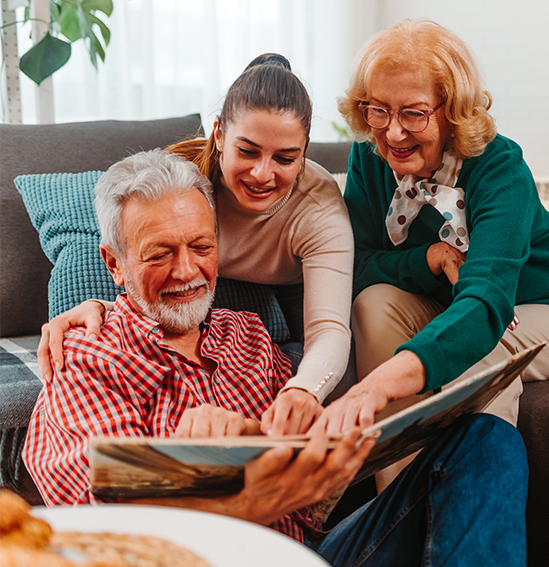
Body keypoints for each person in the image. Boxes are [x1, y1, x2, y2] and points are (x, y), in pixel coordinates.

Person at [21, 150, 529, 566]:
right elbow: (112, 523)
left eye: (200, 246)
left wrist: (296, 449)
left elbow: (306, 498)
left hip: (310, 554)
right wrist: (246, 485)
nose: (186, 271)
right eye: (158, 254)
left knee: (486, 439)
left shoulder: (250, 336)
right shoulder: (85, 355)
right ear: (114, 263)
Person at [313, 19, 549, 451]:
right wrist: (429, 259)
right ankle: (397, 500)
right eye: (378, 109)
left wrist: (380, 384)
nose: (393, 132)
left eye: (414, 113)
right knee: (373, 303)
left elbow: (485, 301)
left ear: (452, 110)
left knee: (479, 346)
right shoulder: (371, 157)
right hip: (454, 306)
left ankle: (471, 504)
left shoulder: (499, 166)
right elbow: (356, 265)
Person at [37, 54, 351, 436]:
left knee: (325, 385)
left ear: (304, 152)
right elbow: (131, 251)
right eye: (248, 151)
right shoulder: (183, 176)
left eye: (285, 158)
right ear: (218, 135)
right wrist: (96, 306)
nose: (263, 174)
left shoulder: (319, 209)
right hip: (210, 296)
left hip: (296, 293)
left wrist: (303, 390)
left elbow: (330, 329)